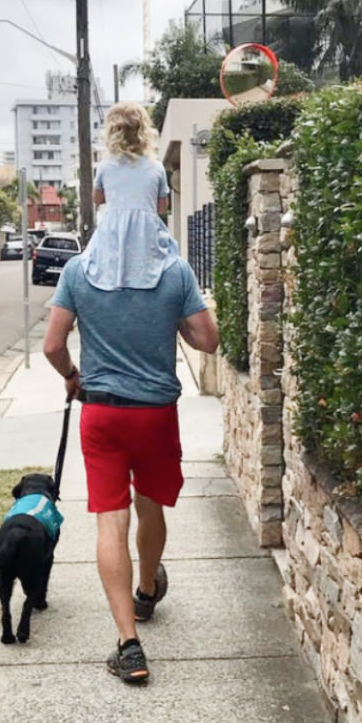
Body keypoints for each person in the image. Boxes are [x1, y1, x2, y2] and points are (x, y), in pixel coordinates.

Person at [43, 248, 219, 684]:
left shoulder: (78, 270)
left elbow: (52, 345)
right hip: (155, 413)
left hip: (102, 412)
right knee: (150, 504)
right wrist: (171, 316)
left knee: (110, 521)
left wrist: (71, 374)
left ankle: (128, 644)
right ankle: (145, 590)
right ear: (157, 204)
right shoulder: (174, 270)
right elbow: (208, 340)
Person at [79, 102, 179, 292]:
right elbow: (162, 206)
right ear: (144, 132)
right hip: (147, 235)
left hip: (112, 233)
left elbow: (97, 198)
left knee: (87, 264)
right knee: (172, 264)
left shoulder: (105, 166)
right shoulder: (156, 167)